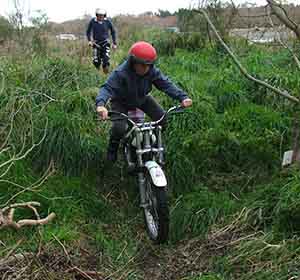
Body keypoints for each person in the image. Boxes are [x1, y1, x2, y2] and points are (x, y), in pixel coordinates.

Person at [96, 41, 193, 162]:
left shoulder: (152, 71)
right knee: (119, 128)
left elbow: (166, 84)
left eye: (149, 65)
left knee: (162, 119)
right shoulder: (121, 73)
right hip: (121, 102)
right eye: (142, 65)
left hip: (142, 98)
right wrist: (101, 105)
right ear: (133, 62)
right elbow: (107, 88)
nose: (145, 68)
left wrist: (183, 97)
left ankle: (155, 145)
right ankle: (113, 147)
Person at [86, 8, 117, 74]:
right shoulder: (93, 21)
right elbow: (88, 32)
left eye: (102, 15)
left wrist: (114, 43)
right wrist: (89, 41)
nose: (101, 17)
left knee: (106, 60)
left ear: (104, 16)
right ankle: (97, 73)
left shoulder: (107, 22)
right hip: (96, 44)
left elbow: (113, 32)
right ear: (96, 15)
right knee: (96, 61)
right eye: (99, 15)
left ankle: (105, 74)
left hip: (105, 43)